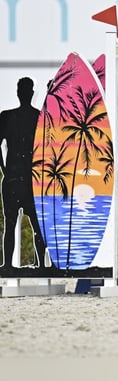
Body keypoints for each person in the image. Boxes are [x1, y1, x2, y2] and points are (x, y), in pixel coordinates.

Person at [0, 77, 47, 268]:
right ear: (30, 93)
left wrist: (4, 168)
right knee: (30, 224)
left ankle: (22, 265)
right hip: (27, 178)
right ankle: (37, 264)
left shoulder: (9, 116)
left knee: (21, 224)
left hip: (20, 177)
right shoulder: (36, 117)